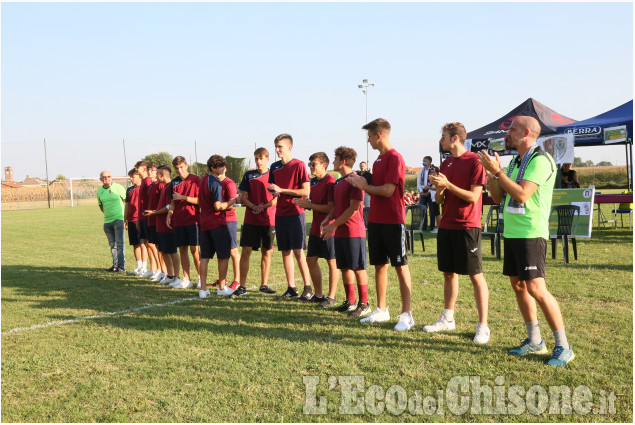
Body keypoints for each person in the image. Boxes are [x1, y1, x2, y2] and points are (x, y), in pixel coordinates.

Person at [477, 115, 574, 366]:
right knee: (519, 287)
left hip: (531, 232)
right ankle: (535, 341)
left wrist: (498, 171)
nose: (506, 134)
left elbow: (521, 195)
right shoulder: (516, 162)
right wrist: (492, 175)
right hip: (513, 232)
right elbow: (499, 198)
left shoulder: (540, 160)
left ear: (527, 133)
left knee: (536, 289)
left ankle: (563, 346)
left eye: (512, 130)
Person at [424, 122, 490, 344]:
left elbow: (473, 197)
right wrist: (440, 188)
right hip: (447, 225)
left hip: (467, 226)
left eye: (443, 136)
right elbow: (441, 200)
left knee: (475, 275)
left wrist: (448, 184)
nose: (440, 140)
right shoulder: (446, 163)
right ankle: (448, 318)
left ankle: (483, 326)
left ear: (454, 139)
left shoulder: (475, 161)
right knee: (448, 273)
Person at [346, 118, 414, 331]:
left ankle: (406, 314)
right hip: (375, 221)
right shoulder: (377, 161)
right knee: (379, 265)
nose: (368, 141)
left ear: (379, 135)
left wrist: (365, 187)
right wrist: (361, 183)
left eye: (369, 136)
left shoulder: (395, 157)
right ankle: (382, 310)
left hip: (393, 221)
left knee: (400, 266)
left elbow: (388, 190)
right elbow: (376, 187)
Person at [321, 146, 370, 318]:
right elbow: (338, 206)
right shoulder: (339, 181)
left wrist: (334, 225)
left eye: (334, 158)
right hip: (341, 231)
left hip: (354, 232)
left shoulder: (355, 180)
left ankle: (364, 304)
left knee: (357, 267)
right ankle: (350, 301)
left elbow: (354, 208)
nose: (332, 161)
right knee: (344, 267)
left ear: (342, 161)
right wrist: (328, 218)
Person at [267, 133, 312, 300]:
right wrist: (274, 192)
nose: (277, 150)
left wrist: (282, 190)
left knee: (298, 252)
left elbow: (305, 191)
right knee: (285, 252)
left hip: (296, 213)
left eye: (280, 147)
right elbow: (275, 189)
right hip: (280, 214)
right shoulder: (274, 167)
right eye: (276, 147)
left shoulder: (299, 165)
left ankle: (308, 288)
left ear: (289, 147)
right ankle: (291, 288)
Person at [293, 152, 338, 305]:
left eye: (314, 164)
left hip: (328, 227)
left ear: (324, 165)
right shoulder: (312, 183)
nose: (310, 166)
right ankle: (319, 295)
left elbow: (331, 208)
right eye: (309, 163)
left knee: (332, 261)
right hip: (315, 227)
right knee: (311, 259)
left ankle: (331, 297)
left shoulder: (330, 182)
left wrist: (309, 205)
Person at [234, 148, 278, 296]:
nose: (258, 161)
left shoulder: (274, 175)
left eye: (261, 158)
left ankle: (264, 285)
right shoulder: (249, 175)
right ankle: (242, 286)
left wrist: (263, 207)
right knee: (246, 251)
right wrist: (254, 206)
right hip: (251, 218)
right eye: (256, 159)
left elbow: (276, 198)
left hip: (268, 219)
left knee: (266, 251)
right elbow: (243, 196)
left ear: (267, 159)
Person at [197, 155, 241, 298]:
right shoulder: (215, 182)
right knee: (223, 256)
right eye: (220, 166)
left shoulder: (203, 179)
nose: (223, 168)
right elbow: (218, 206)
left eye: (224, 165)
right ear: (212, 168)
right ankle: (222, 287)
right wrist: (234, 200)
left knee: (204, 257)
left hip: (204, 223)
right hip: (217, 223)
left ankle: (203, 290)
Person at [166, 156, 201, 289]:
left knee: (194, 250)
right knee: (182, 249)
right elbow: (172, 203)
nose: (179, 170)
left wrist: (184, 197)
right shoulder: (173, 183)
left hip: (193, 219)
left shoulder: (196, 180)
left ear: (186, 166)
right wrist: (169, 214)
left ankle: (200, 277)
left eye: (181, 167)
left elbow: (201, 200)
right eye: (176, 168)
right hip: (179, 221)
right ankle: (187, 278)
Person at [143, 165, 182, 286]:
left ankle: (177, 276)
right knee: (164, 250)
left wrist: (154, 212)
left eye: (157, 173)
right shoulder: (165, 187)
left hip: (167, 224)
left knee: (172, 251)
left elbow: (169, 206)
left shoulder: (170, 186)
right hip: (160, 224)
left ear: (163, 175)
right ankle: (169, 275)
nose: (155, 175)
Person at [97, 170, 127, 272]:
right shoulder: (99, 191)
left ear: (112, 177)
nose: (107, 178)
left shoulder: (118, 188)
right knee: (112, 245)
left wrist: (125, 218)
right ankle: (115, 266)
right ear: (100, 179)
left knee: (120, 244)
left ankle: (121, 267)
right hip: (107, 222)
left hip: (119, 219)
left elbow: (126, 202)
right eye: (104, 177)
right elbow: (101, 206)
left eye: (109, 176)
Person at [219, 167, 241, 290]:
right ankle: (223, 279)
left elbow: (233, 204)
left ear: (226, 169)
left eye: (222, 167)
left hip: (229, 220)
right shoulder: (215, 182)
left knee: (233, 250)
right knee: (222, 251)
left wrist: (217, 206)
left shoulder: (229, 183)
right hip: (217, 221)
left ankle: (237, 280)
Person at [144, 164, 167, 282]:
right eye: (149, 170)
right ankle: (161, 270)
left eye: (152, 170)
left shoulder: (161, 185)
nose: (150, 172)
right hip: (151, 220)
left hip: (159, 219)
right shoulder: (152, 186)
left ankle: (165, 271)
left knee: (162, 248)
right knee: (157, 246)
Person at [135, 160, 157, 278]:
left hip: (148, 216)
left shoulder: (148, 181)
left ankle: (156, 268)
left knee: (151, 243)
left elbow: (151, 198)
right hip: (143, 216)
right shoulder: (144, 181)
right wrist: (139, 218)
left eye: (138, 167)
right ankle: (152, 268)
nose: (136, 170)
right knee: (146, 243)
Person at [124, 168, 146, 275]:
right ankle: (139, 266)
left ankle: (144, 267)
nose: (131, 179)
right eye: (130, 177)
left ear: (139, 176)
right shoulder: (129, 190)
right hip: (131, 220)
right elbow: (127, 206)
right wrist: (125, 219)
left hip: (141, 219)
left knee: (143, 244)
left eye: (133, 177)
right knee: (135, 244)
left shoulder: (144, 188)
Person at [417, 156, 434, 229]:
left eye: (425, 161)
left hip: (430, 191)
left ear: (430, 162)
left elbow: (434, 183)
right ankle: (424, 226)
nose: (423, 162)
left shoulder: (433, 171)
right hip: (423, 191)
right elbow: (418, 182)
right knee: (422, 209)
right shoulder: (421, 171)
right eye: (423, 161)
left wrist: (429, 191)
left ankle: (432, 226)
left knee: (432, 210)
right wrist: (421, 191)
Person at [427, 167, 441, 233]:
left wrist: (429, 187)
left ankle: (439, 227)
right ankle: (438, 227)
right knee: (435, 213)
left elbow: (437, 188)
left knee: (437, 213)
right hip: (432, 198)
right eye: (431, 172)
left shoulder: (437, 179)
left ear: (437, 173)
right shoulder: (432, 180)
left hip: (436, 197)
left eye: (433, 172)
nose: (432, 173)